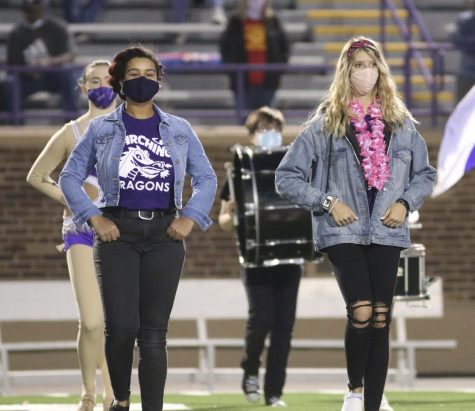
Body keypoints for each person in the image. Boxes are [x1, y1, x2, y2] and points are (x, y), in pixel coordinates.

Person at [275, 36, 436, 411]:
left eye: (371, 64)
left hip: (387, 229)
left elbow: (425, 175)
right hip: (341, 231)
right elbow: (287, 178)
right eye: (358, 65)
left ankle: (374, 403)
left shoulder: (401, 123)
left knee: (381, 315)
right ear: (346, 71)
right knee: (361, 309)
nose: (365, 71)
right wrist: (328, 201)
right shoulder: (326, 123)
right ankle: (355, 391)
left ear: (381, 70)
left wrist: (404, 202)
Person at [59, 45, 217, 411]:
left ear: (159, 80)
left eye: (149, 74)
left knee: (153, 335)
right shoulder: (101, 129)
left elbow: (207, 177)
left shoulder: (179, 128)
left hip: (165, 235)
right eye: (133, 75)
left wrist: (189, 217)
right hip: (117, 235)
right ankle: (122, 400)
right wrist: (94, 217)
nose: (142, 80)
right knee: (121, 328)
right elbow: (69, 177)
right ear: (120, 82)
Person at [26, 60, 116, 411]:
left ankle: (111, 394)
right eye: (93, 81)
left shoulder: (132, 129)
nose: (100, 85)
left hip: (120, 231)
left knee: (114, 321)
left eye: (107, 79)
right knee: (92, 320)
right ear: (83, 87)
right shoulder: (71, 132)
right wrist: (69, 197)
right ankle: (87, 390)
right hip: (80, 229)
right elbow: (37, 176)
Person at [219, 107, 301, 407]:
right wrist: (235, 215)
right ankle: (250, 369)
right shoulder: (240, 173)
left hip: (290, 257)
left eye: (275, 127)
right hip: (255, 258)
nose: (270, 133)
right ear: (251, 135)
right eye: (263, 128)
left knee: (284, 327)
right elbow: (224, 221)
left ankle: (274, 391)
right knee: (262, 319)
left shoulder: (293, 169)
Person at [6, 0, 78, 120]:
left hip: (53, 74)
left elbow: (70, 55)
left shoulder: (56, 27)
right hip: (28, 77)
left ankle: (73, 122)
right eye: (29, 11)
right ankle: (16, 123)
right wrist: (28, 70)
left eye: (35, 10)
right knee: (11, 83)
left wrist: (50, 63)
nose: (32, 14)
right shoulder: (17, 33)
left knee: (68, 78)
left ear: (41, 10)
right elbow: (12, 63)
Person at [219, 0, 289, 111]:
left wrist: (277, 72)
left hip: (268, 84)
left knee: (266, 124)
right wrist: (233, 74)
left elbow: (283, 50)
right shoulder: (235, 22)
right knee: (245, 124)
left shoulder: (273, 21)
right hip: (243, 85)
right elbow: (225, 50)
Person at [450, 0, 475, 103]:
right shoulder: (465, 19)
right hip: (468, 73)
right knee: (462, 110)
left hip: (467, 72)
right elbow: (456, 39)